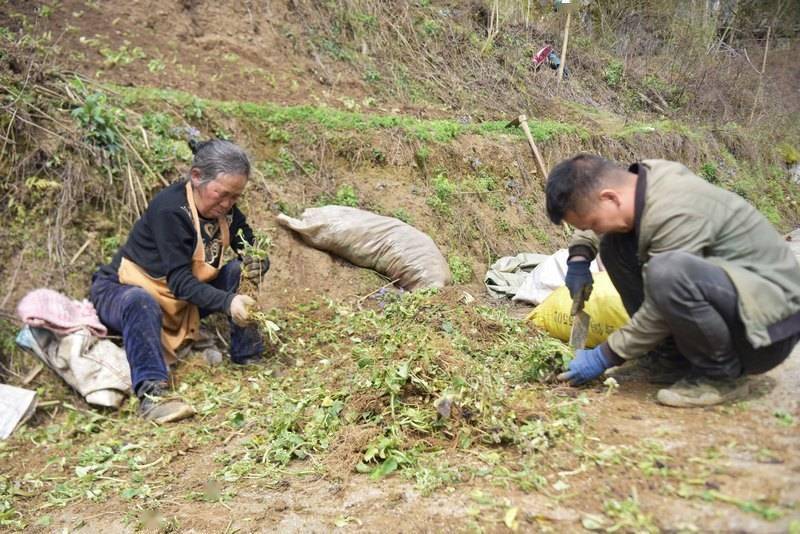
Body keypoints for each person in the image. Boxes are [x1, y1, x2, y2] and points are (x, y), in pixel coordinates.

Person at [545, 154, 800, 407]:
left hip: (769, 330)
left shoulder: (673, 209)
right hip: (737, 304)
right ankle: (668, 359)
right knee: (614, 245)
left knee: (666, 272)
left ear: (610, 197)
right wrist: (579, 258)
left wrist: (606, 355)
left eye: (594, 224)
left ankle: (720, 375)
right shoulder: (639, 185)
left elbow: (660, 304)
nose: (596, 230)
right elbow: (594, 218)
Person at [90, 139, 270, 423]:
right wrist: (227, 301)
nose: (226, 204)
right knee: (139, 301)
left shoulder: (227, 210)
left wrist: (257, 261)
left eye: (235, 197)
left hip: (177, 302)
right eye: (221, 194)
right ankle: (152, 396)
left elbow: (249, 246)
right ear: (197, 177)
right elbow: (180, 283)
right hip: (122, 291)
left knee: (239, 271)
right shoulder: (171, 210)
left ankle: (247, 355)